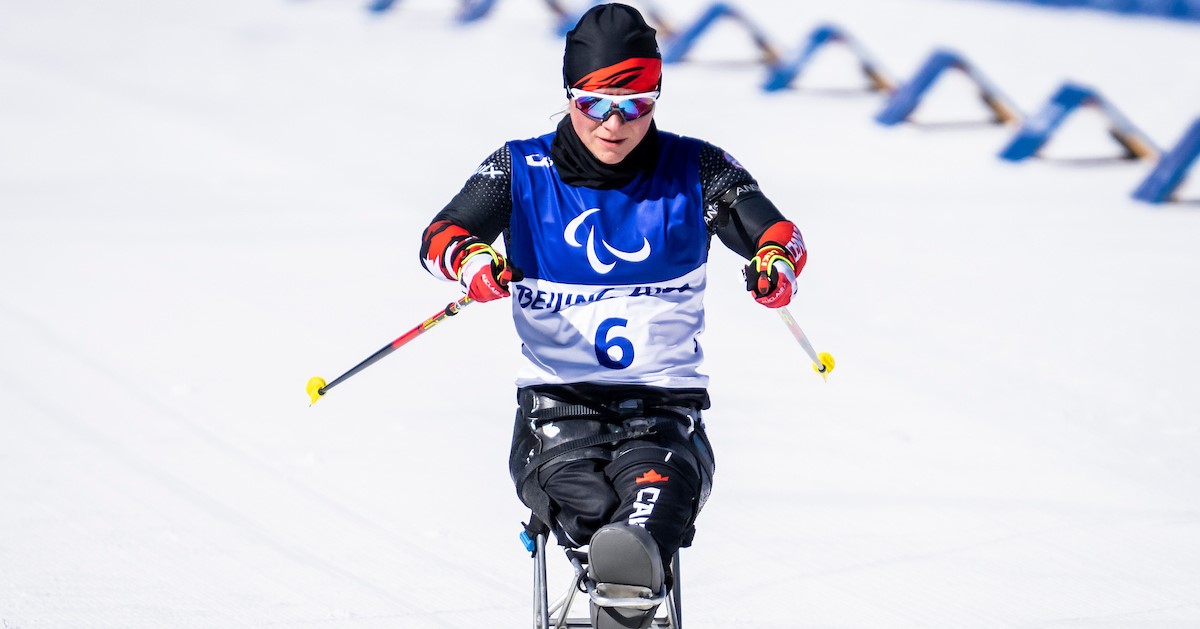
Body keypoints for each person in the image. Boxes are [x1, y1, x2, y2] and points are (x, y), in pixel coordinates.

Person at [419, 4, 806, 627]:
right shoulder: (520, 170)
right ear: (569, 95)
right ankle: (622, 580)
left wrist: (774, 264)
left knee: (644, 515)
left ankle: (627, 572)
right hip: (558, 416)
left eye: (638, 104)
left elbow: (778, 233)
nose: (615, 123)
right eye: (597, 103)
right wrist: (470, 262)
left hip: (663, 418)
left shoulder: (695, 171)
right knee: (598, 507)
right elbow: (440, 234)